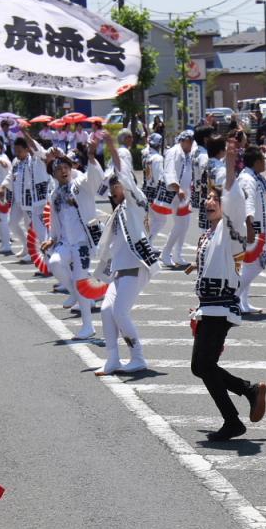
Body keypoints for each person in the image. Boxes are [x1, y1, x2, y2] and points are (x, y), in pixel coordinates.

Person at [190, 139, 266, 441]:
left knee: (202, 365)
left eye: (215, 199)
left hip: (220, 307)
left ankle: (237, 411)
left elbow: (235, 200)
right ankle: (246, 394)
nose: (210, 202)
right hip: (209, 306)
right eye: (208, 199)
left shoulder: (230, 231)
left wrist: (231, 167)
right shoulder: (210, 234)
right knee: (202, 366)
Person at [93, 135, 161, 375]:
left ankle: (138, 357)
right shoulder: (119, 210)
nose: (113, 188)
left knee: (120, 312)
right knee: (105, 310)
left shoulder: (135, 201)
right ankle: (113, 358)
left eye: (116, 184)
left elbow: (124, 177)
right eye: (112, 186)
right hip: (119, 270)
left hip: (135, 267)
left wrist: (112, 149)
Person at [44, 136, 104, 339]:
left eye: (65, 167)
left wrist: (92, 156)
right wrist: (52, 238)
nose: (62, 171)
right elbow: (54, 218)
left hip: (82, 243)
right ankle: (72, 292)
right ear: (53, 174)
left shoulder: (80, 184)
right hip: (65, 242)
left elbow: (95, 178)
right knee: (54, 263)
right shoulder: (54, 194)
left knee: (81, 280)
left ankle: (88, 325)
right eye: (58, 169)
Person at [0, 134, 52, 257]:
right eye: (15, 150)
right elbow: (10, 176)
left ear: (27, 149)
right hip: (18, 199)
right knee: (12, 223)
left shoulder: (33, 161)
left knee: (31, 227)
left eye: (19, 151)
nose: (17, 153)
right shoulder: (16, 162)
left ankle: (34, 252)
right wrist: (3, 186)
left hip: (30, 201)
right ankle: (26, 246)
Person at [236, 145, 266, 314]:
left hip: (260, 226)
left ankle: (243, 301)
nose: (265, 162)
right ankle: (234, 297)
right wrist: (249, 226)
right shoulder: (247, 179)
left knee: (250, 265)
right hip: (253, 228)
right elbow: (247, 203)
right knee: (256, 265)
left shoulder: (255, 177)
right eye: (263, 159)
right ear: (257, 162)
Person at [156, 130, 195, 267]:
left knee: (185, 225)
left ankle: (178, 254)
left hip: (184, 194)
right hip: (175, 193)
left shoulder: (186, 154)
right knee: (180, 224)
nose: (191, 145)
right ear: (183, 141)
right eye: (189, 141)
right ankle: (166, 253)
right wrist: (177, 188)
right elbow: (169, 171)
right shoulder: (174, 152)